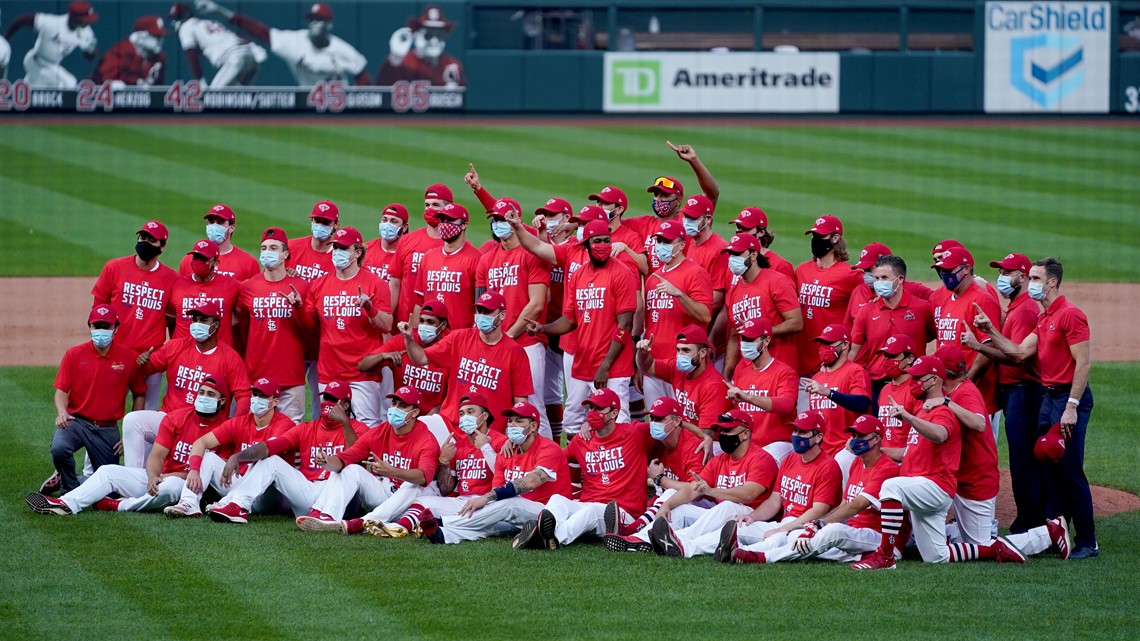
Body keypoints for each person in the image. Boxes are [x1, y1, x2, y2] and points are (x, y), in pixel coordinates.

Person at [968, 257, 1097, 559]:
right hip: (1048, 398)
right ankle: (1053, 531)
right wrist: (987, 336)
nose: (1031, 284)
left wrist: (1072, 406)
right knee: (1045, 463)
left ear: (1052, 282)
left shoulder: (1071, 315)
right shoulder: (1043, 317)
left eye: (1037, 279)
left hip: (1067, 398)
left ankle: (1088, 541)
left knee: (1069, 468)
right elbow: (1018, 352)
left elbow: (1084, 363)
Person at [852, 356, 1025, 569]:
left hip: (936, 486)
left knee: (891, 487)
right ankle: (990, 549)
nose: (913, 382)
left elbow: (940, 435)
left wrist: (910, 419)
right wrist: (881, 451)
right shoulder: (922, 408)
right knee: (935, 556)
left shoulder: (943, 410)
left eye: (918, 378)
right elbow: (914, 451)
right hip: (923, 487)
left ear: (934, 380)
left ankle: (885, 557)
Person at [27, 377, 231, 516]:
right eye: (201, 392)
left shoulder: (227, 429)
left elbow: (211, 473)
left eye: (210, 395)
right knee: (107, 472)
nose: (203, 397)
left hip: (190, 488)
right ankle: (66, 504)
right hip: (160, 478)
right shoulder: (177, 418)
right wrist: (152, 476)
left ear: (222, 401)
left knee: (171, 487)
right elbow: (157, 455)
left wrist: (168, 478)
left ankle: (121, 505)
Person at [722, 415, 899, 565]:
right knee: (801, 535)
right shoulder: (857, 463)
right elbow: (845, 503)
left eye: (861, 435)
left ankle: (762, 557)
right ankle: (741, 551)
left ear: (876, 439)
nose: (854, 439)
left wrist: (819, 523)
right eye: (853, 434)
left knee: (829, 532)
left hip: (878, 535)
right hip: (851, 529)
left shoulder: (886, 468)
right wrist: (816, 525)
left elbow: (856, 506)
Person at [197, 381, 367, 523]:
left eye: (333, 400)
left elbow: (356, 459)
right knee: (271, 460)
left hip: (336, 492)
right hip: (307, 491)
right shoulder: (306, 428)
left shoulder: (361, 429)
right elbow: (269, 447)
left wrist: (345, 422)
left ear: (345, 405)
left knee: (347, 470)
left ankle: (327, 516)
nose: (327, 403)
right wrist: (238, 457)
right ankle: (238, 506)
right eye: (325, 398)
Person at [528, 220, 638, 429]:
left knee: (618, 421)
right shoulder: (578, 275)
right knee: (573, 423)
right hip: (583, 363)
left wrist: (605, 366)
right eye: (597, 241)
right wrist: (543, 328)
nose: (603, 245)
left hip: (613, 367)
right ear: (586, 244)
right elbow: (570, 320)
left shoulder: (622, 273)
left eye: (607, 240)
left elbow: (625, 325)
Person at [512, 389, 654, 550]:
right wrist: (518, 443)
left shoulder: (635, 433)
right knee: (558, 500)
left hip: (620, 513)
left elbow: (665, 428)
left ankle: (547, 538)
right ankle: (543, 532)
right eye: (591, 408)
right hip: (588, 504)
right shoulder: (582, 439)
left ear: (614, 413)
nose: (593, 413)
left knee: (592, 511)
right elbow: (555, 457)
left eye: (599, 409)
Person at [416, 402, 572, 545]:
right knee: (490, 522)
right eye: (510, 421)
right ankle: (444, 535)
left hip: (548, 512)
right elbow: (498, 490)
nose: (512, 425)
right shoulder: (507, 451)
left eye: (519, 421)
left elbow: (531, 482)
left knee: (510, 504)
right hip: (520, 514)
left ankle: (444, 522)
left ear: (532, 427)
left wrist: (485, 498)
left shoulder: (548, 448)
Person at [295, 386, 441, 534]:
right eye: (394, 403)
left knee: (415, 485)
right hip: (383, 493)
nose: (395, 409)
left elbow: (424, 477)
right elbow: (348, 456)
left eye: (402, 406)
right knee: (351, 468)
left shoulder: (426, 439)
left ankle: (364, 522)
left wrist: (392, 471)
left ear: (415, 412)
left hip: (406, 503)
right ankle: (326, 515)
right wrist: (327, 461)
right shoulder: (381, 431)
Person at [124, 300, 251, 468]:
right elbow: (150, 366)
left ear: (216, 325)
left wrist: (234, 425)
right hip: (169, 419)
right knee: (133, 421)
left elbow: (243, 395)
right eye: (195, 319)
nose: (197, 324)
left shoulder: (230, 358)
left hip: (206, 427)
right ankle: (135, 478)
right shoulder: (177, 346)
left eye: (203, 320)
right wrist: (144, 363)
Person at [640, 410, 779, 558]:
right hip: (723, 516)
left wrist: (711, 491)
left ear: (745, 434)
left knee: (727, 505)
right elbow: (694, 488)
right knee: (679, 506)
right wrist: (666, 506)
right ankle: (640, 539)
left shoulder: (762, 459)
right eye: (721, 430)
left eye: (728, 430)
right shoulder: (720, 460)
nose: (723, 435)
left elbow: (748, 494)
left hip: (752, 517)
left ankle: (678, 542)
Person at [366, 394, 508, 537]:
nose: (465, 417)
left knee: (469, 523)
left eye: (470, 412)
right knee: (423, 501)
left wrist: (486, 448)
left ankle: (435, 526)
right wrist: (444, 462)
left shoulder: (501, 441)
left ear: (484, 416)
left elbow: (506, 477)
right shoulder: (457, 446)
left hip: (491, 501)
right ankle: (399, 528)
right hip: (464, 501)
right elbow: (446, 489)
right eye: (461, 413)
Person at [41, 304, 146, 496]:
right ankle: (69, 488)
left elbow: (139, 393)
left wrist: (129, 434)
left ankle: (72, 479)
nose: (101, 331)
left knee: (111, 492)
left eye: (106, 326)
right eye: (96, 326)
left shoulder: (129, 357)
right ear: (89, 326)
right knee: (59, 448)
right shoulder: (74, 354)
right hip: (77, 422)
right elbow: (61, 391)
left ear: (116, 328)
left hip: (107, 430)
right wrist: (62, 412)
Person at [713, 411, 842, 559]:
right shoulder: (790, 459)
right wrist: (752, 517)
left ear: (818, 437)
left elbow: (819, 510)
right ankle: (688, 546)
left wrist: (783, 529)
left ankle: (743, 553)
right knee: (740, 526)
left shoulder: (828, 466)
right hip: (785, 523)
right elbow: (775, 500)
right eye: (795, 430)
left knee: (781, 538)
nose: (797, 435)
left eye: (803, 432)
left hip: (810, 526)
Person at [979, 252, 1046, 533]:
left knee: (1022, 460)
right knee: (1022, 458)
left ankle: (1030, 522)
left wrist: (979, 345)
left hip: (1023, 392)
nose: (1002, 277)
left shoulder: (1025, 309)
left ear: (1022, 276)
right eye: (1000, 271)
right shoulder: (1018, 306)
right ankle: (1033, 518)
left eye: (1007, 273)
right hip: (1017, 393)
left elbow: (1016, 355)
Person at [402, 290, 533, 432]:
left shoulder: (515, 352)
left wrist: (513, 434)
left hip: (488, 432)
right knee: (417, 429)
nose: (481, 316)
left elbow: (521, 402)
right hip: (450, 424)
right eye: (479, 310)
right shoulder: (459, 338)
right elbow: (420, 359)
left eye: (487, 311)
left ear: (502, 315)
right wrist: (409, 339)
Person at [164, 377, 295, 518]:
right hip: (240, 485)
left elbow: (265, 450)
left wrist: (237, 457)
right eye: (255, 395)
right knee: (208, 457)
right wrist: (194, 470)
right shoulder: (240, 422)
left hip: (269, 494)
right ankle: (188, 503)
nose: (257, 399)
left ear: (275, 401)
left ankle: (228, 502)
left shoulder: (285, 425)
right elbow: (201, 442)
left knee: (266, 460)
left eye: (262, 396)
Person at [302, 226, 393, 426]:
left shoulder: (375, 284)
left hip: (362, 373)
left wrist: (369, 308)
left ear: (357, 252)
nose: (337, 253)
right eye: (335, 248)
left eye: (343, 248)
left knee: (366, 424)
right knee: (330, 425)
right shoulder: (318, 285)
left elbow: (387, 325)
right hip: (329, 371)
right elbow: (310, 328)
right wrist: (298, 307)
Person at [476, 198, 553, 435]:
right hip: (495, 343)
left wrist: (508, 335)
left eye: (505, 218)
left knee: (531, 406)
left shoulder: (531, 254)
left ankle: (547, 463)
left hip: (527, 343)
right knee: (498, 404)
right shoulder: (486, 259)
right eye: (496, 219)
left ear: (517, 220)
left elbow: (538, 303)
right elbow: (479, 307)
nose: (499, 223)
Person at [91, 220, 179, 410]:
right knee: (104, 410)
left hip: (151, 360)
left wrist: (168, 354)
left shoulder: (172, 279)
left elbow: (173, 322)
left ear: (162, 247)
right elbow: (97, 312)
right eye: (142, 237)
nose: (145, 242)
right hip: (115, 355)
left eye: (152, 240)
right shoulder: (114, 268)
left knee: (145, 415)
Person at [600, 397, 706, 546]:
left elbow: (698, 489)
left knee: (668, 494)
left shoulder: (693, 447)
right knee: (656, 501)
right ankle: (634, 533)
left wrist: (660, 479)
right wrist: (590, 427)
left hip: (701, 505)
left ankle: (632, 531)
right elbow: (619, 434)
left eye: (660, 419)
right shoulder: (657, 442)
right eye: (653, 418)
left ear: (676, 422)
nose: (654, 423)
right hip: (673, 504)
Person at [195, 0, 369, 87]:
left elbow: (363, 77)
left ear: (329, 25)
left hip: (338, 105)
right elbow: (259, 30)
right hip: (308, 104)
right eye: (311, 19)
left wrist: (358, 105)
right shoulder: (294, 42)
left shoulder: (343, 50)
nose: (314, 22)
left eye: (319, 19)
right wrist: (219, 11)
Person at [234, 227, 309, 422]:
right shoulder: (247, 288)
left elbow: (312, 329)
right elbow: (240, 321)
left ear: (285, 254)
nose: (267, 252)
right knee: (254, 434)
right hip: (256, 374)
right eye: (264, 247)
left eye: (273, 247)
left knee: (290, 438)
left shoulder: (302, 287)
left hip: (291, 376)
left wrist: (299, 307)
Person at [931, 344, 1000, 548]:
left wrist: (946, 403)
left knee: (982, 546)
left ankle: (1046, 535)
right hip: (961, 476)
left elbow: (979, 423)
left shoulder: (966, 393)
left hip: (977, 478)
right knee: (967, 537)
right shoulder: (953, 390)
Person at [641, 220, 714, 407]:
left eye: (667, 242)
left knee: (682, 426)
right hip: (654, 365)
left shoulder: (695, 273)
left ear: (681, 245)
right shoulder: (653, 278)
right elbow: (649, 323)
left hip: (681, 364)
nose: (661, 246)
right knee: (658, 424)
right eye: (659, 241)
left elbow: (705, 315)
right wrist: (641, 366)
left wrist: (680, 295)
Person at [849, 254, 936, 406]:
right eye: (877, 278)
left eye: (884, 278)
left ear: (900, 279)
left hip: (913, 386)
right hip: (877, 385)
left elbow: (930, 335)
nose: (879, 283)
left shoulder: (922, 308)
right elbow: (852, 350)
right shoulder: (867, 311)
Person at [359, 300, 451, 440]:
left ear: (443, 325)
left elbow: (448, 398)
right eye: (421, 321)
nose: (424, 326)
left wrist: (425, 422)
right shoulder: (402, 340)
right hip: (402, 416)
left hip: (434, 420)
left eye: (430, 322)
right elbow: (363, 366)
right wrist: (383, 356)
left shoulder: (449, 348)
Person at [931, 244, 1002, 416]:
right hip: (951, 388)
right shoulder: (949, 298)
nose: (944, 274)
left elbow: (989, 346)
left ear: (966, 269)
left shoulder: (981, 299)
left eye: (949, 269)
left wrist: (967, 380)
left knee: (981, 441)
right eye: (942, 269)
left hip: (977, 391)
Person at [287, 199, 340, 418]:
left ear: (336, 224)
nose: (320, 225)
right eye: (317, 220)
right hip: (294, 338)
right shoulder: (292, 248)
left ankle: (320, 446)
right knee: (290, 400)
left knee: (323, 402)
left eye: (325, 222)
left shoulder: (340, 255)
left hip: (323, 341)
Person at [722, 233, 802, 375]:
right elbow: (734, 337)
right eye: (730, 254)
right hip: (747, 374)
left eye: (737, 253)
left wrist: (759, 331)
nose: (732, 259)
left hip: (779, 370)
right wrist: (728, 370)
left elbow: (796, 323)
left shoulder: (777, 281)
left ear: (753, 255)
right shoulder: (733, 293)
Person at [794, 215, 862, 380]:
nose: (816, 240)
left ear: (835, 238)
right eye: (814, 236)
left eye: (820, 236)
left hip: (830, 361)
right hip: (801, 359)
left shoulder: (850, 274)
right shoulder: (802, 270)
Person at [803, 324, 871, 481]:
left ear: (845, 345)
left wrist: (828, 393)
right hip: (822, 449)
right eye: (821, 344)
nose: (823, 348)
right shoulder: (818, 377)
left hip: (847, 448)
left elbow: (862, 403)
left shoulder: (855, 371)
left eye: (829, 344)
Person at [635, 324, 729, 432]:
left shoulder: (713, 386)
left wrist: (674, 424)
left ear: (702, 353)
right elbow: (648, 366)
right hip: (688, 437)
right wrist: (642, 354)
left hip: (711, 444)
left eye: (686, 350)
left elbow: (707, 434)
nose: (680, 355)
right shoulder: (677, 369)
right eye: (678, 350)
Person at [726, 318, 798, 456]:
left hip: (776, 443)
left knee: (767, 457)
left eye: (750, 339)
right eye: (743, 339)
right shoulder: (741, 370)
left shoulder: (785, 372)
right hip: (747, 442)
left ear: (766, 341)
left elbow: (787, 404)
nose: (744, 343)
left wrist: (749, 398)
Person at [412, 202, 482, 330]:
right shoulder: (428, 257)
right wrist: (415, 336)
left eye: (451, 220)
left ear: (464, 224)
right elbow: (419, 303)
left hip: (461, 338)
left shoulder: (477, 259)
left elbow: (481, 308)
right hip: (431, 336)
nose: (445, 224)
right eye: (443, 219)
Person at [390, 184, 450, 324]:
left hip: (441, 325)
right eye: (427, 205)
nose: (430, 209)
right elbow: (395, 283)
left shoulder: (453, 244)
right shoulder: (407, 241)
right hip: (406, 322)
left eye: (435, 204)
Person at [4, 1, 98, 89]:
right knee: (69, 83)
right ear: (74, 18)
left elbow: (89, 56)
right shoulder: (52, 23)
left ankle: (19, 95)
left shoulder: (86, 33)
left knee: (33, 88)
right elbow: (21, 20)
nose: (88, 22)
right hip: (35, 60)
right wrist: (5, 40)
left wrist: (91, 51)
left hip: (52, 66)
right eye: (85, 20)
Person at [168, 2, 260, 87]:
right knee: (238, 98)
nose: (174, 22)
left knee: (212, 98)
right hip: (250, 58)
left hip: (234, 57)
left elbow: (192, 56)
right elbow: (235, 37)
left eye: (176, 18)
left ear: (184, 16)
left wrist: (200, 82)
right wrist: (253, 46)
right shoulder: (208, 22)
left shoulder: (186, 27)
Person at [169, 239, 241, 347]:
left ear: (216, 262)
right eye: (196, 257)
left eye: (204, 258)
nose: (198, 261)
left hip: (217, 356)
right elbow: (170, 319)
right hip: (182, 354)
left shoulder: (231, 285)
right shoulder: (177, 285)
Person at [845, 242, 933, 327]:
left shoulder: (911, 288)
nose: (866, 274)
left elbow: (939, 301)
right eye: (864, 270)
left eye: (869, 269)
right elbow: (848, 327)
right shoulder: (859, 292)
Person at [376, 4, 465, 87]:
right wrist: (395, 57)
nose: (434, 41)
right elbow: (383, 92)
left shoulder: (452, 64)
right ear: (416, 36)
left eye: (439, 35)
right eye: (428, 35)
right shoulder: (403, 61)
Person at [177, 204, 259, 281]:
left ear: (232, 228)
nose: (214, 227)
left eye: (220, 222)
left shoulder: (248, 263)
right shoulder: (189, 260)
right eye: (211, 222)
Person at [873, 334, 921, 463]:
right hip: (882, 457)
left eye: (893, 356)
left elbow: (923, 433)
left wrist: (900, 453)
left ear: (910, 358)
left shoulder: (916, 389)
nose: (887, 361)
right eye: (886, 356)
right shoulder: (885, 389)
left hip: (907, 460)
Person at [90, 15, 167, 87]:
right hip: (96, 97)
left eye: (161, 36)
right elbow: (106, 80)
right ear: (140, 38)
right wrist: (136, 82)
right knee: (118, 85)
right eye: (156, 36)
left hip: (139, 99)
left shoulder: (159, 58)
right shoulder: (121, 52)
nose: (161, 40)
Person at [729, 207, 794, 281]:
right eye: (738, 227)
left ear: (761, 232)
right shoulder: (733, 262)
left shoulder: (780, 266)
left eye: (746, 228)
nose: (740, 231)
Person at [362, 203, 408, 283]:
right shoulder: (366, 249)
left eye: (394, 221)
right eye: (384, 220)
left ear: (404, 227)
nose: (387, 225)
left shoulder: (407, 254)